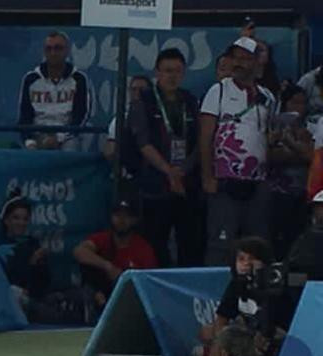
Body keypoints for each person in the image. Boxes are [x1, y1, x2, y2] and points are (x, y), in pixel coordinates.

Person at [199, 37, 277, 266]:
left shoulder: (267, 97)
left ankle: (258, 296)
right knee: (220, 244)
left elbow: (269, 135)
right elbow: (205, 136)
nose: (239, 63)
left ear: (255, 62)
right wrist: (207, 177)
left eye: (245, 58)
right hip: (224, 181)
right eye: (236, 58)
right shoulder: (219, 91)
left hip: (257, 182)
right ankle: (214, 298)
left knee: (259, 243)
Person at [128, 48, 203, 267]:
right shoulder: (144, 101)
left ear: (184, 73)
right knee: (154, 243)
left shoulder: (189, 100)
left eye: (177, 71)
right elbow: (143, 143)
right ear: (157, 73)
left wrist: (183, 170)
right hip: (155, 182)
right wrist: (169, 171)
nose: (172, 76)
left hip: (186, 182)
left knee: (189, 243)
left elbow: (200, 142)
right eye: (167, 71)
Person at [195, 236, 288, 356]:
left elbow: (275, 326)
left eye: (251, 259)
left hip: (273, 337)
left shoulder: (273, 285)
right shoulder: (236, 284)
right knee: (208, 332)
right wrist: (219, 344)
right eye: (241, 259)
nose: (246, 264)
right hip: (250, 334)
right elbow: (222, 318)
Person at [73, 196, 157, 312]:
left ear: (134, 220)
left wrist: (122, 278)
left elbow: (148, 283)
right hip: (101, 293)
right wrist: (108, 266)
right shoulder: (103, 238)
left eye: (126, 216)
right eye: (117, 215)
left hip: (128, 300)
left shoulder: (143, 248)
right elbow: (79, 251)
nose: (121, 220)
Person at [18, 31, 92, 151]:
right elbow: (24, 116)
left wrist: (59, 138)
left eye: (58, 48)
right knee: (29, 155)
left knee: (71, 149)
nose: (53, 53)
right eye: (49, 49)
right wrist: (29, 141)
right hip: (38, 135)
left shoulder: (79, 78)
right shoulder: (31, 79)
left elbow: (81, 115)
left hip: (67, 136)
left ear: (67, 51)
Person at [267, 83, 315, 258]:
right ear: (285, 103)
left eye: (302, 103)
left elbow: (311, 156)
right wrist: (297, 152)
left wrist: (290, 143)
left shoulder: (311, 127)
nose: (298, 108)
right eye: (294, 103)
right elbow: (272, 157)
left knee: (297, 238)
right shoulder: (273, 125)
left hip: (302, 192)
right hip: (278, 193)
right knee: (276, 238)